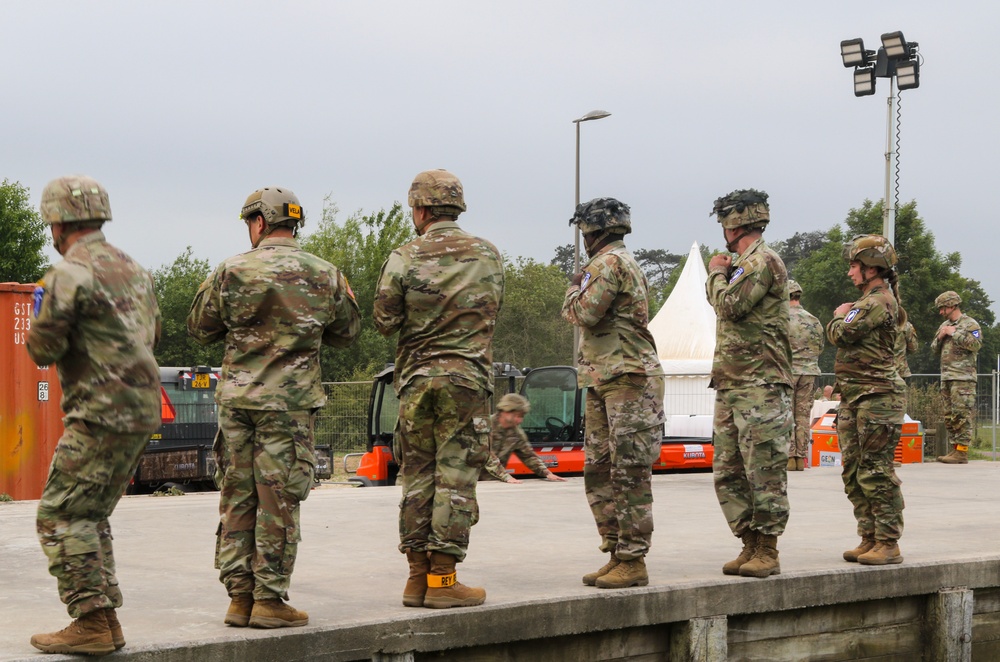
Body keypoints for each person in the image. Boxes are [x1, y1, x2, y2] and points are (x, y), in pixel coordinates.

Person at [188, 186, 360, 628]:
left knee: (237, 495)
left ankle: (240, 598)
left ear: (260, 222)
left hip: (237, 403)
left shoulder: (231, 269)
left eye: (249, 223)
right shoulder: (324, 273)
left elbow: (200, 327)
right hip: (289, 404)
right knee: (278, 499)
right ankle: (269, 599)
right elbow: (347, 331)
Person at [26, 175, 161, 655]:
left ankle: (90, 619)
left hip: (100, 412)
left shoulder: (67, 274)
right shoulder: (135, 269)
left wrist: (42, 316)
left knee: (58, 515)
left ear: (57, 222)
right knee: (89, 513)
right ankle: (104, 620)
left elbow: (43, 349)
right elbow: (152, 335)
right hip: (142, 409)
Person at [373, 169, 504, 610]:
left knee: (416, 477)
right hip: (466, 382)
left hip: (415, 384)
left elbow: (384, 321)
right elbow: (491, 310)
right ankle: (443, 580)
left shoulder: (403, 256)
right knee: (456, 477)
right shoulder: (487, 255)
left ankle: (416, 580)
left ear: (421, 209)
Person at [562, 197, 665, 589]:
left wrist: (572, 293)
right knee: (601, 469)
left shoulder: (607, 264)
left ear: (594, 231)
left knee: (628, 472)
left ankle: (632, 558)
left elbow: (583, 313)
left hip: (626, 376)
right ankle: (617, 551)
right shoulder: (617, 262)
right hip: (608, 376)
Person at [705, 188, 792, 579]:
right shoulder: (744, 263)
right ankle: (749, 543)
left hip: (760, 382)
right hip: (733, 381)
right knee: (729, 469)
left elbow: (730, 305)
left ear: (732, 225)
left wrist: (715, 273)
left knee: (764, 467)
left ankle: (768, 549)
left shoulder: (760, 261)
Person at [826, 234, 906, 566]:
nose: (850, 273)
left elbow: (841, 333)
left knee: (876, 471)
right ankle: (869, 537)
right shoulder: (868, 301)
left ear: (872, 268)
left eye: (854, 266)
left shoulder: (878, 301)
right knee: (854, 470)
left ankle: (888, 541)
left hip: (878, 397)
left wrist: (839, 315)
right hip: (856, 396)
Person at [931, 290, 983, 464]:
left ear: (952, 305)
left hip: (963, 378)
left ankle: (962, 451)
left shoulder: (970, 324)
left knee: (961, 414)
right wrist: (941, 336)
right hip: (946, 377)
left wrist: (955, 333)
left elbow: (976, 345)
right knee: (950, 415)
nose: (941, 312)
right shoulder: (944, 325)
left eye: (943, 308)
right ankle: (955, 450)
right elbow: (933, 349)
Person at [480, 394, 566, 483]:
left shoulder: (516, 434)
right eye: (517, 416)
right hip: (470, 481)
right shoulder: (484, 425)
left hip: (492, 483)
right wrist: (505, 476)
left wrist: (547, 473)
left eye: (522, 417)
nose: (520, 420)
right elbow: (486, 454)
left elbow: (528, 456)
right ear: (506, 412)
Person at [786, 279, 823, 471]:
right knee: (803, 416)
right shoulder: (813, 320)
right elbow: (821, 346)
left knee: (787, 414)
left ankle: (789, 456)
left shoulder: (782, 318)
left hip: (788, 372)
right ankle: (800, 457)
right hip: (809, 372)